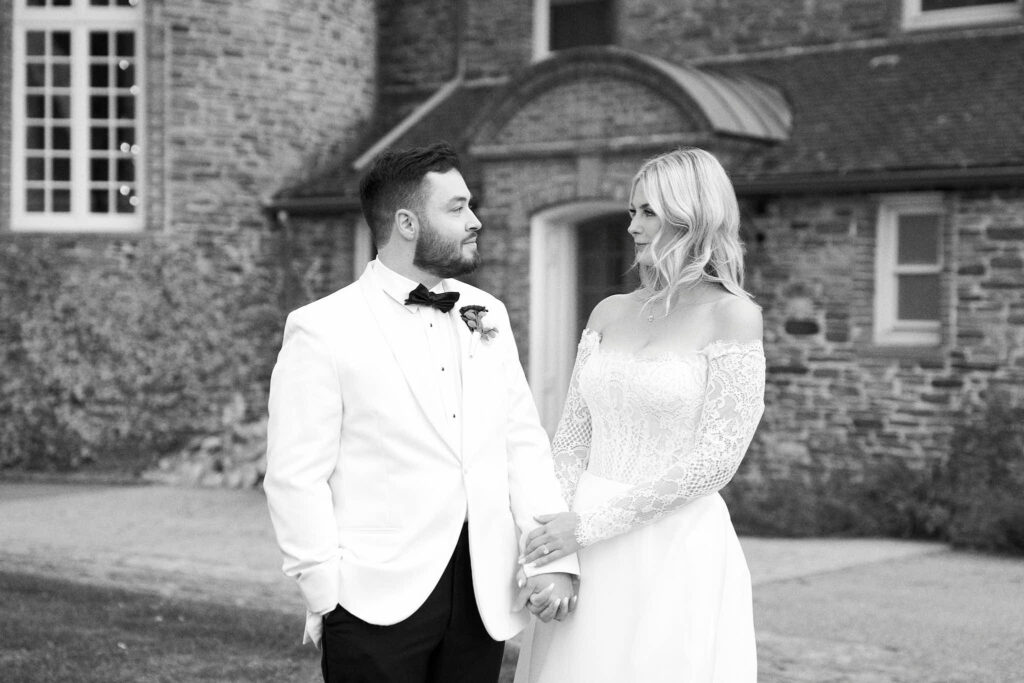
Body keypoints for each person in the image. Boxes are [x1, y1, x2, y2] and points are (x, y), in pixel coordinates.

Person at [264, 141, 579, 683]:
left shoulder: (489, 313)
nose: (475, 220)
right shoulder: (322, 328)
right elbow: (295, 476)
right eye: (456, 208)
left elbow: (522, 444)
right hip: (372, 599)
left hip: (481, 592)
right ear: (407, 222)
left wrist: (552, 561)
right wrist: (325, 590)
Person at [514, 148, 765, 682]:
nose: (632, 226)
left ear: (692, 214)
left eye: (647, 212)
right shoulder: (608, 311)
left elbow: (715, 462)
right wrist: (558, 556)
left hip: (673, 545)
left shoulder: (733, 316)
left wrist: (588, 526)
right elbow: (571, 442)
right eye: (632, 211)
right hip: (582, 540)